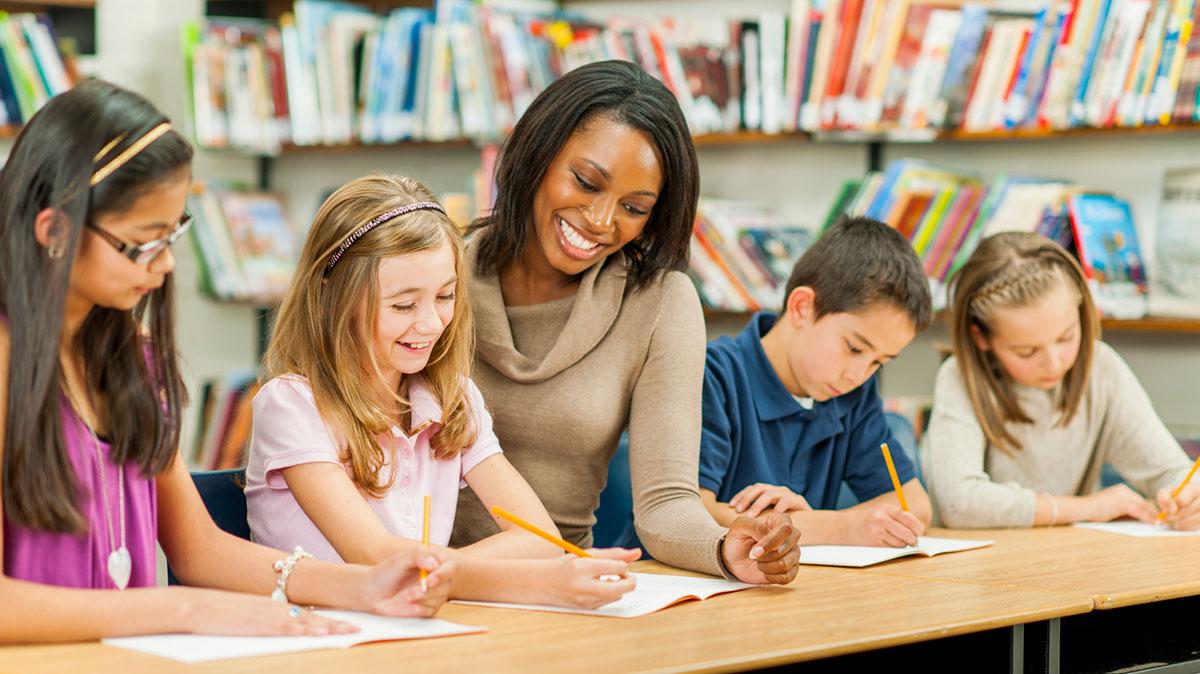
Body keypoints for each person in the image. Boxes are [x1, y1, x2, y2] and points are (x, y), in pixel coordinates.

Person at [0, 81, 454, 644]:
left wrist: (362, 586)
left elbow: (198, 549)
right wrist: (182, 612)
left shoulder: (131, 360)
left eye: (173, 234)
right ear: (54, 231)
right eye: (143, 243)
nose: (165, 264)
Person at [452, 60, 798, 583]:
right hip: (415, 582)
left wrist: (726, 548)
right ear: (537, 152)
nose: (600, 221)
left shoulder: (660, 303)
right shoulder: (436, 275)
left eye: (634, 208)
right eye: (586, 182)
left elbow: (665, 502)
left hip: (560, 589)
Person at [247, 174, 639, 609]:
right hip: (317, 641)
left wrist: (434, 574)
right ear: (332, 295)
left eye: (446, 296)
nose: (432, 323)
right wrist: (532, 581)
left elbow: (539, 538)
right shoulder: (291, 405)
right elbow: (375, 559)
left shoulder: (455, 400)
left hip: (414, 630)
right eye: (403, 305)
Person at [925, 232, 1200, 529]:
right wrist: (1086, 507)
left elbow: (1169, 471)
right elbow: (959, 503)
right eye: (1026, 352)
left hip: (1073, 561)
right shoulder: (959, 377)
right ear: (981, 338)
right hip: (983, 567)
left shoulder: (1101, 366)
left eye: (1067, 337)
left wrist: (1186, 498)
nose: (1055, 363)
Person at [698, 217, 934, 547]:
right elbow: (688, 514)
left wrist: (806, 524)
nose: (858, 374)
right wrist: (834, 528)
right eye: (854, 348)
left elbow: (915, 507)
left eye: (879, 362)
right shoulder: (712, 376)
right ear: (802, 307)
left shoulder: (852, 394)